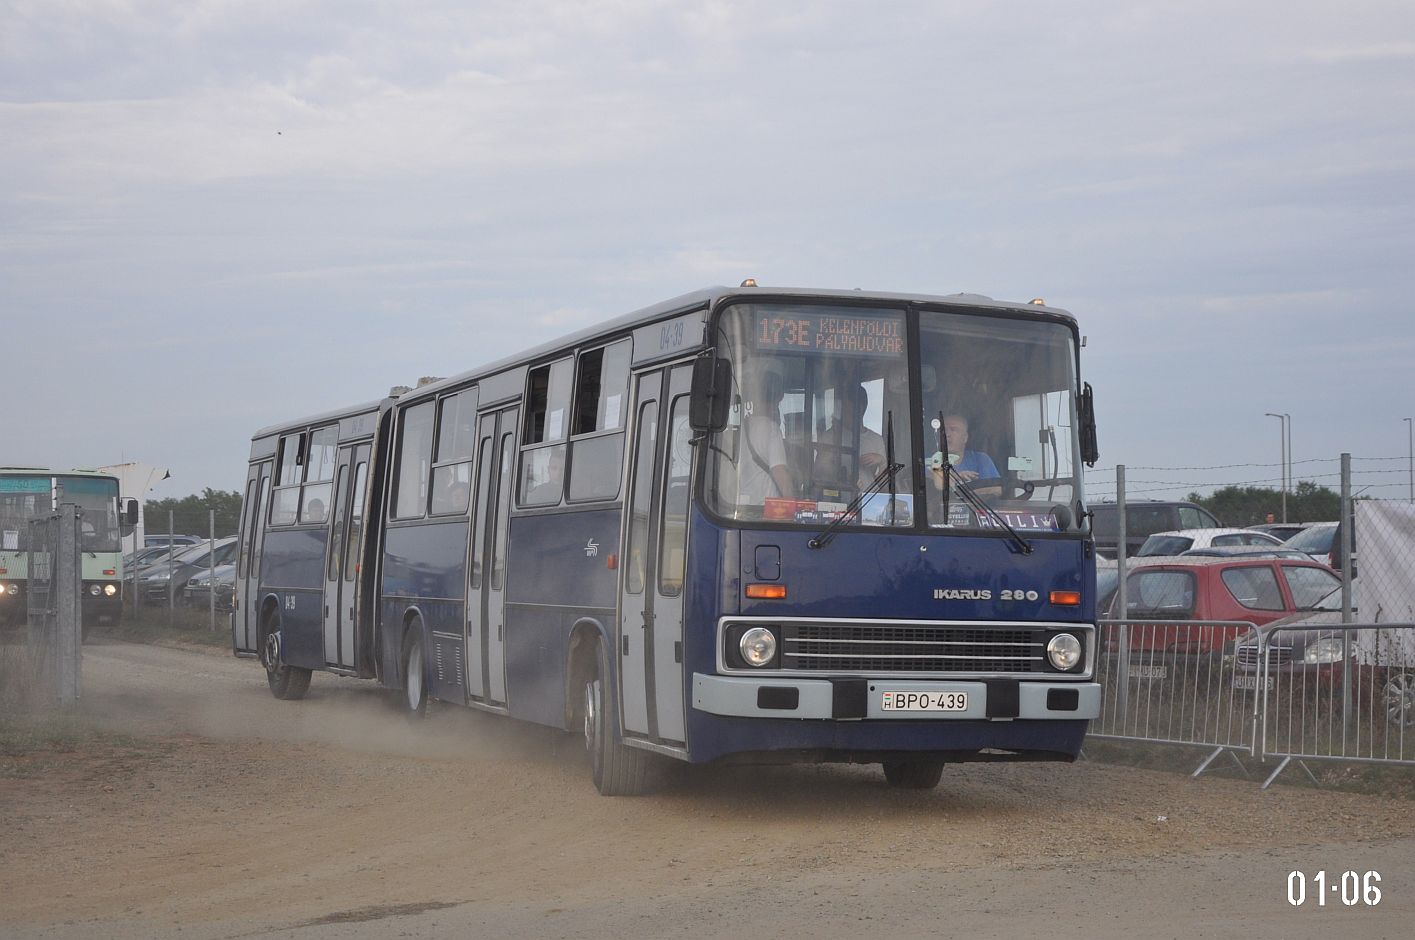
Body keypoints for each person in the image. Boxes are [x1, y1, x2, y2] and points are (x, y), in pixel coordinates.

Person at [738, 363, 795, 505]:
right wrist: (794, 507)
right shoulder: (771, 428)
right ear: (776, 399)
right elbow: (780, 473)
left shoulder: (742, 429)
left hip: (745, 508)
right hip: (767, 510)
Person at [814, 383, 886, 492]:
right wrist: (843, 478)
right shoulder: (830, 436)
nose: (843, 414)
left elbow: (884, 483)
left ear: (861, 409)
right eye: (843, 409)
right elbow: (819, 471)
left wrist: (881, 461)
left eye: (849, 410)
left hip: (869, 502)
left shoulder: (877, 440)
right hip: (837, 500)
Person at [930, 413, 1000, 498]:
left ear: (965, 437)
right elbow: (931, 488)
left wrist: (963, 491)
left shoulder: (981, 459)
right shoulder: (930, 462)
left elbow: (997, 489)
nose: (947, 434)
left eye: (953, 429)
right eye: (943, 430)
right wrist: (957, 477)